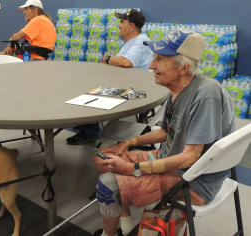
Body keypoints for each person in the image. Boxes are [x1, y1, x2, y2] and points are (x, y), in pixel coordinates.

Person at [93, 30, 235, 236]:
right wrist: (128, 142)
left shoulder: (206, 95)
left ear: (183, 67)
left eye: (159, 59)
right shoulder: (177, 88)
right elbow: (166, 132)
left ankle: (109, 233)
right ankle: (125, 219)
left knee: (107, 184)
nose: (151, 65)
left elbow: (190, 157)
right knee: (105, 156)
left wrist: (133, 167)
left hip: (193, 180)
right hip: (174, 161)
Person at [66, 9, 153, 146]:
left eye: (122, 22)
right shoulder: (132, 41)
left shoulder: (141, 41)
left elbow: (126, 62)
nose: (119, 25)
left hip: (136, 90)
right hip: (128, 83)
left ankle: (89, 132)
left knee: (93, 92)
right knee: (89, 86)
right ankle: (86, 126)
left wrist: (108, 58)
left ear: (131, 25)